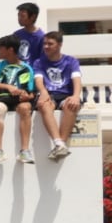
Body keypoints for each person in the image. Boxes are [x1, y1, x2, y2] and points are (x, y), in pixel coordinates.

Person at [34, 31, 83, 160]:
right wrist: (44, 93)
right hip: (49, 94)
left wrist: (76, 96)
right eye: (44, 43)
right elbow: (38, 80)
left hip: (66, 95)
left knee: (71, 105)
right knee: (44, 105)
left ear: (59, 45)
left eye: (50, 44)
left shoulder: (71, 61)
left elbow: (77, 80)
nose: (46, 46)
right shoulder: (39, 62)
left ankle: (61, 145)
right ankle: (59, 143)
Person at [0, 34, 37, 164]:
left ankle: (25, 151)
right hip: (2, 97)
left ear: (10, 50)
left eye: (0, 48)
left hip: (19, 100)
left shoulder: (26, 68)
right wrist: (8, 87)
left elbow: (31, 92)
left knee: (26, 108)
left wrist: (27, 96)